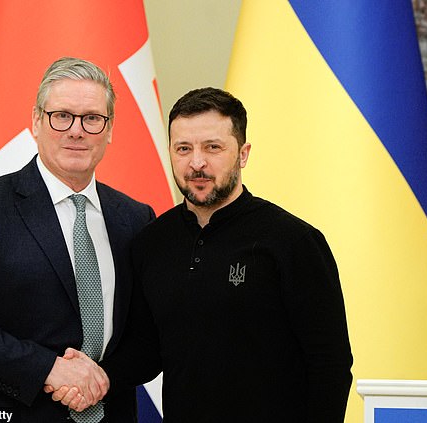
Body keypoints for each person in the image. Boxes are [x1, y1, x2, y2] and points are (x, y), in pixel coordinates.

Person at [53, 87, 353, 422]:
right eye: (184, 149)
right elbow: (147, 349)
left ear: (243, 153)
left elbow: (331, 363)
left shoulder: (293, 241)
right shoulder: (151, 242)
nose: (197, 163)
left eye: (213, 148)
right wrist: (97, 377)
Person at [0, 57, 155, 422]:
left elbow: (148, 334)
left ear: (109, 130)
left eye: (92, 118)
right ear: (36, 121)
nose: (76, 131)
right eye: (61, 116)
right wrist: (49, 369)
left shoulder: (135, 218)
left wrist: (101, 378)